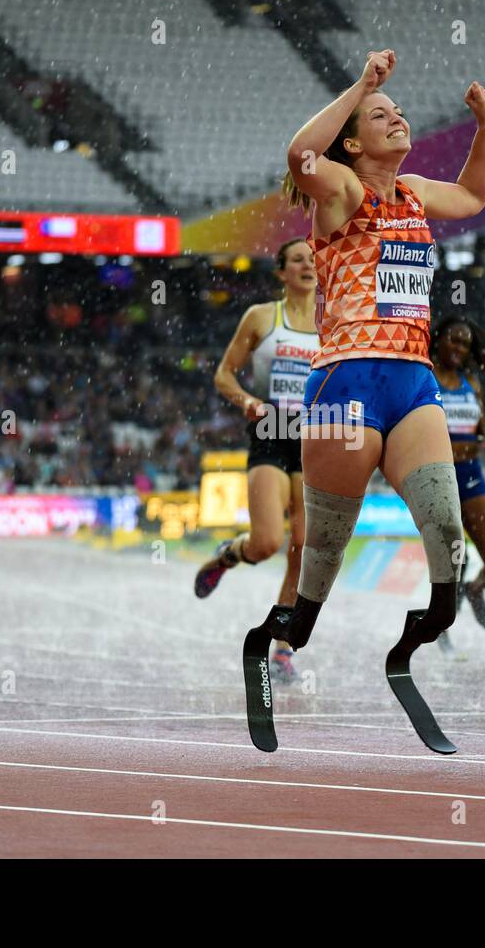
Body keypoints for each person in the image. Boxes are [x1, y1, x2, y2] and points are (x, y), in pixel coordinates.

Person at [254, 48, 485, 653]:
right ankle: (282, 632)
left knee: (447, 531)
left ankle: (428, 625)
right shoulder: (340, 191)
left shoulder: (413, 192)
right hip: (345, 384)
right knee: (324, 551)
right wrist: (362, 83)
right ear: (355, 145)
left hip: (413, 383)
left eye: (398, 111)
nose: (396, 118)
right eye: (379, 116)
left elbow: (471, 196)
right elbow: (301, 156)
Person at [195, 239, 320, 683]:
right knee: (268, 542)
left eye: (313, 258)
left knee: (304, 547)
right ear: (282, 272)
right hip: (271, 430)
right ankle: (228, 555)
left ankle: (284, 647)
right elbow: (223, 374)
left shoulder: (335, 321)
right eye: (298, 259)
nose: (308, 264)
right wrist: (248, 402)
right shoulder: (262, 317)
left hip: (315, 436)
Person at [430, 316, 485, 631]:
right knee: (454, 555)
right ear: (439, 340)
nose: (459, 348)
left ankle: (475, 590)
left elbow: (479, 430)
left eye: (465, 343)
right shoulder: (426, 376)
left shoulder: (471, 383)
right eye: (454, 340)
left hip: (471, 474)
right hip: (436, 474)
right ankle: (440, 622)